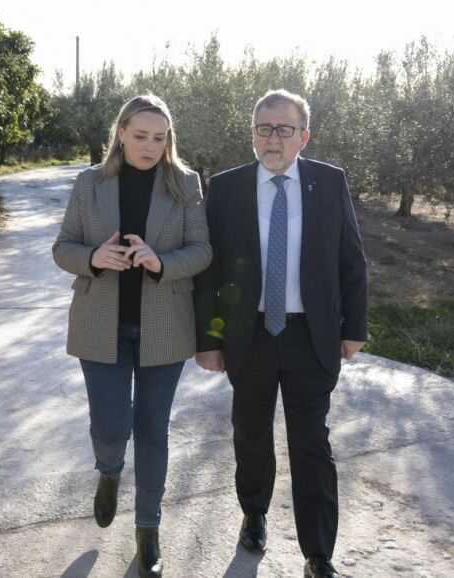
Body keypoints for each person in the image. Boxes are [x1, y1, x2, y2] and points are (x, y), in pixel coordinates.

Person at [193, 89, 368, 578]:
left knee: (311, 443)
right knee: (251, 434)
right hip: (248, 336)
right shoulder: (225, 187)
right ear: (252, 134)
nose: (273, 139)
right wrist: (208, 339)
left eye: (284, 129)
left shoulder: (329, 182)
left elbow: (351, 260)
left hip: (310, 336)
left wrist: (354, 328)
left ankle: (319, 555)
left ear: (303, 136)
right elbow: (209, 272)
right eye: (264, 129)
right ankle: (254, 513)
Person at [52, 93, 212, 578]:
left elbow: (201, 250)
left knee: (152, 431)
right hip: (101, 325)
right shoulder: (90, 183)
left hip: (165, 327)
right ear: (121, 133)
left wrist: (161, 262)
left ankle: (148, 530)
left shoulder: (185, 183)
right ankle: (109, 472)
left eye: (159, 138)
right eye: (140, 136)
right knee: (109, 428)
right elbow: (63, 247)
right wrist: (92, 257)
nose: (149, 147)